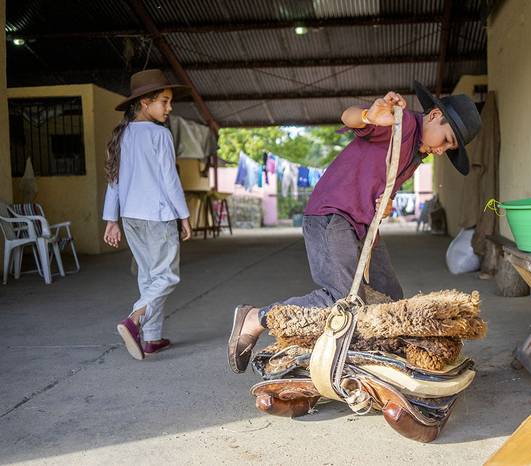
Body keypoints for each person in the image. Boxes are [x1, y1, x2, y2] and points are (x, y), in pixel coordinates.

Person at [227, 81, 482, 373]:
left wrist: (385, 203)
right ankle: (255, 318)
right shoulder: (402, 123)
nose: (442, 151)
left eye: (448, 148)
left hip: (363, 225)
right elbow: (348, 116)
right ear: (435, 115)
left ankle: (378, 360)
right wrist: (369, 116)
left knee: (391, 298)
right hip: (332, 217)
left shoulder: (417, 151)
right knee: (342, 298)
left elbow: (380, 181)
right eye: (447, 140)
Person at [103, 69, 193, 360]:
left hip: (131, 218)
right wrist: (184, 215)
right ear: (145, 102)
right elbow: (170, 180)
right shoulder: (159, 134)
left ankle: (151, 338)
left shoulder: (122, 135)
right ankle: (135, 318)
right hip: (158, 216)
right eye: (164, 101)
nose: (169, 108)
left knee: (148, 276)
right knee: (167, 276)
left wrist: (111, 220)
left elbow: (113, 181)